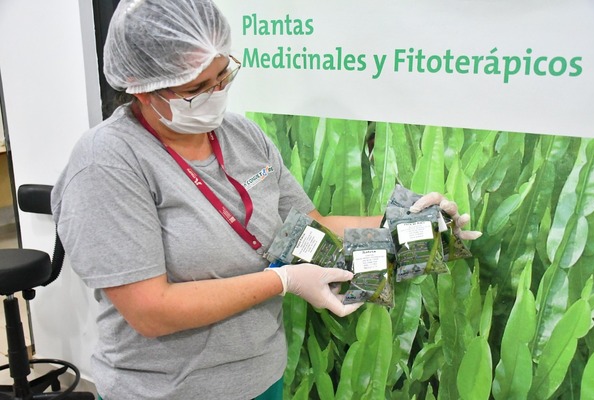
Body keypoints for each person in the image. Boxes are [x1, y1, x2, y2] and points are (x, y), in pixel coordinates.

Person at [51, 1, 480, 399]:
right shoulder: (106, 164)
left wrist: (410, 224)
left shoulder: (240, 135)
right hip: (168, 390)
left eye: (223, 76)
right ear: (143, 91)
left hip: (261, 376)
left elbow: (312, 224)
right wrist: (283, 281)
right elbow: (151, 311)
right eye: (197, 89)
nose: (217, 93)